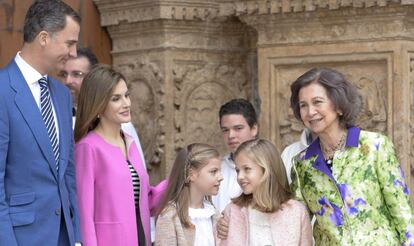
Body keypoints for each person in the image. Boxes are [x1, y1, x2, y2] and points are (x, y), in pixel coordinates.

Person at [290, 67, 414, 245]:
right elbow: (298, 224)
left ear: (339, 106)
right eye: (303, 105)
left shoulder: (375, 146)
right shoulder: (301, 164)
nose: (310, 112)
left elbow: (402, 212)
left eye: (317, 102)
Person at [0, 1, 81, 245]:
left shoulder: (61, 94)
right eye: (70, 43)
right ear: (44, 37)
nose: (74, 53)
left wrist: (76, 237)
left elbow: (67, 173)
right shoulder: (2, 91)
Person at [74, 65, 167, 246]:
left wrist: (179, 179)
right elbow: (84, 215)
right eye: (116, 99)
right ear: (98, 105)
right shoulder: (87, 148)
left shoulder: (130, 142)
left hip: (141, 238)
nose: (126, 103)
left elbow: (147, 200)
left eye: (127, 95)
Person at [57, 47, 146, 168]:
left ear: (93, 79)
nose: (68, 80)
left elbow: (140, 175)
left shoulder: (122, 125)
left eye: (76, 74)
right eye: (63, 74)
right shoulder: (52, 117)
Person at [217, 139, 312, 246]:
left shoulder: (297, 212)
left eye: (247, 169)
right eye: (237, 170)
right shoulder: (232, 211)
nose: (240, 176)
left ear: (267, 170)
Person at [155, 143, 223, 245]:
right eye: (213, 171)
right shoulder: (169, 216)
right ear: (191, 175)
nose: (221, 177)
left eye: (219, 171)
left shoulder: (213, 213)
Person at [212, 98, 258, 213]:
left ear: (253, 129)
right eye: (225, 130)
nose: (231, 135)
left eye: (238, 128)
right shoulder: (216, 169)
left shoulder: (267, 166)